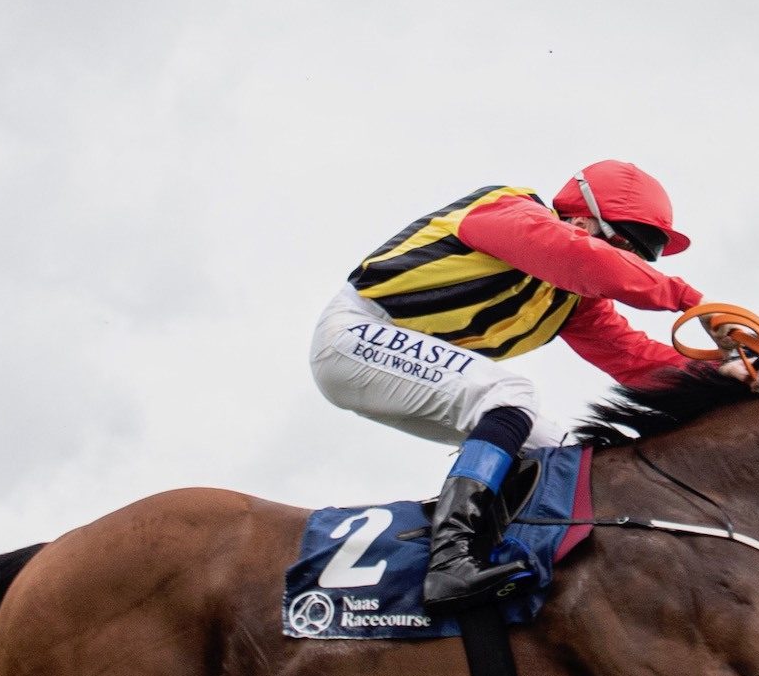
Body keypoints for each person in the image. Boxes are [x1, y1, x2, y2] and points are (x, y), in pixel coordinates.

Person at [311, 160, 727, 612]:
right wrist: (696, 303)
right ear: (581, 217)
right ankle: (449, 559)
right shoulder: (509, 210)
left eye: (641, 256)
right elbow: (577, 257)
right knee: (510, 396)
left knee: (567, 458)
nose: (629, 260)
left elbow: (634, 359)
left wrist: (723, 376)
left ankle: (511, 568)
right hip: (353, 334)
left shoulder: (573, 300)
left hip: (396, 367)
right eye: (624, 245)